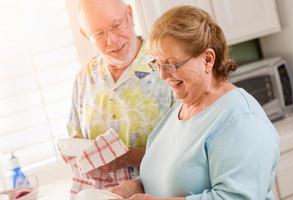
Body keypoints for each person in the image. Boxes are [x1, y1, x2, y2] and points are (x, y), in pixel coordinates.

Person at [111, 5, 280, 200]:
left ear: (207, 60)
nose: (163, 75)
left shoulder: (241, 119)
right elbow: (167, 178)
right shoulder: (179, 111)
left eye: (171, 64)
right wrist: (135, 187)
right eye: (157, 64)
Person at [64, 0, 173, 191]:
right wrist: (76, 151)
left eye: (116, 25)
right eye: (98, 34)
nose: (112, 41)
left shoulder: (169, 66)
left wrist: (128, 158)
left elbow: (189, 150)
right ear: (85, 35)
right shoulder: (84, 77)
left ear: (130, 15)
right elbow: (75, 133)